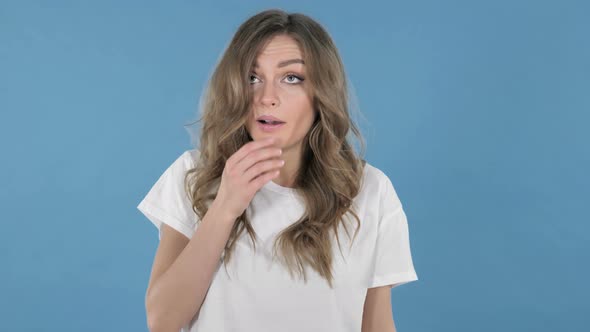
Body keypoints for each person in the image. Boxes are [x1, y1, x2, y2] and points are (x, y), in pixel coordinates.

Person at [137, 8, 418, 332]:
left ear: (321, 93)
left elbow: (377, 324)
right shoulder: (193, 174)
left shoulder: (369, 190)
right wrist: (225, 207)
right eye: (252, 78)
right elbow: (162, 320)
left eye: (291, 78)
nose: (267, 97)